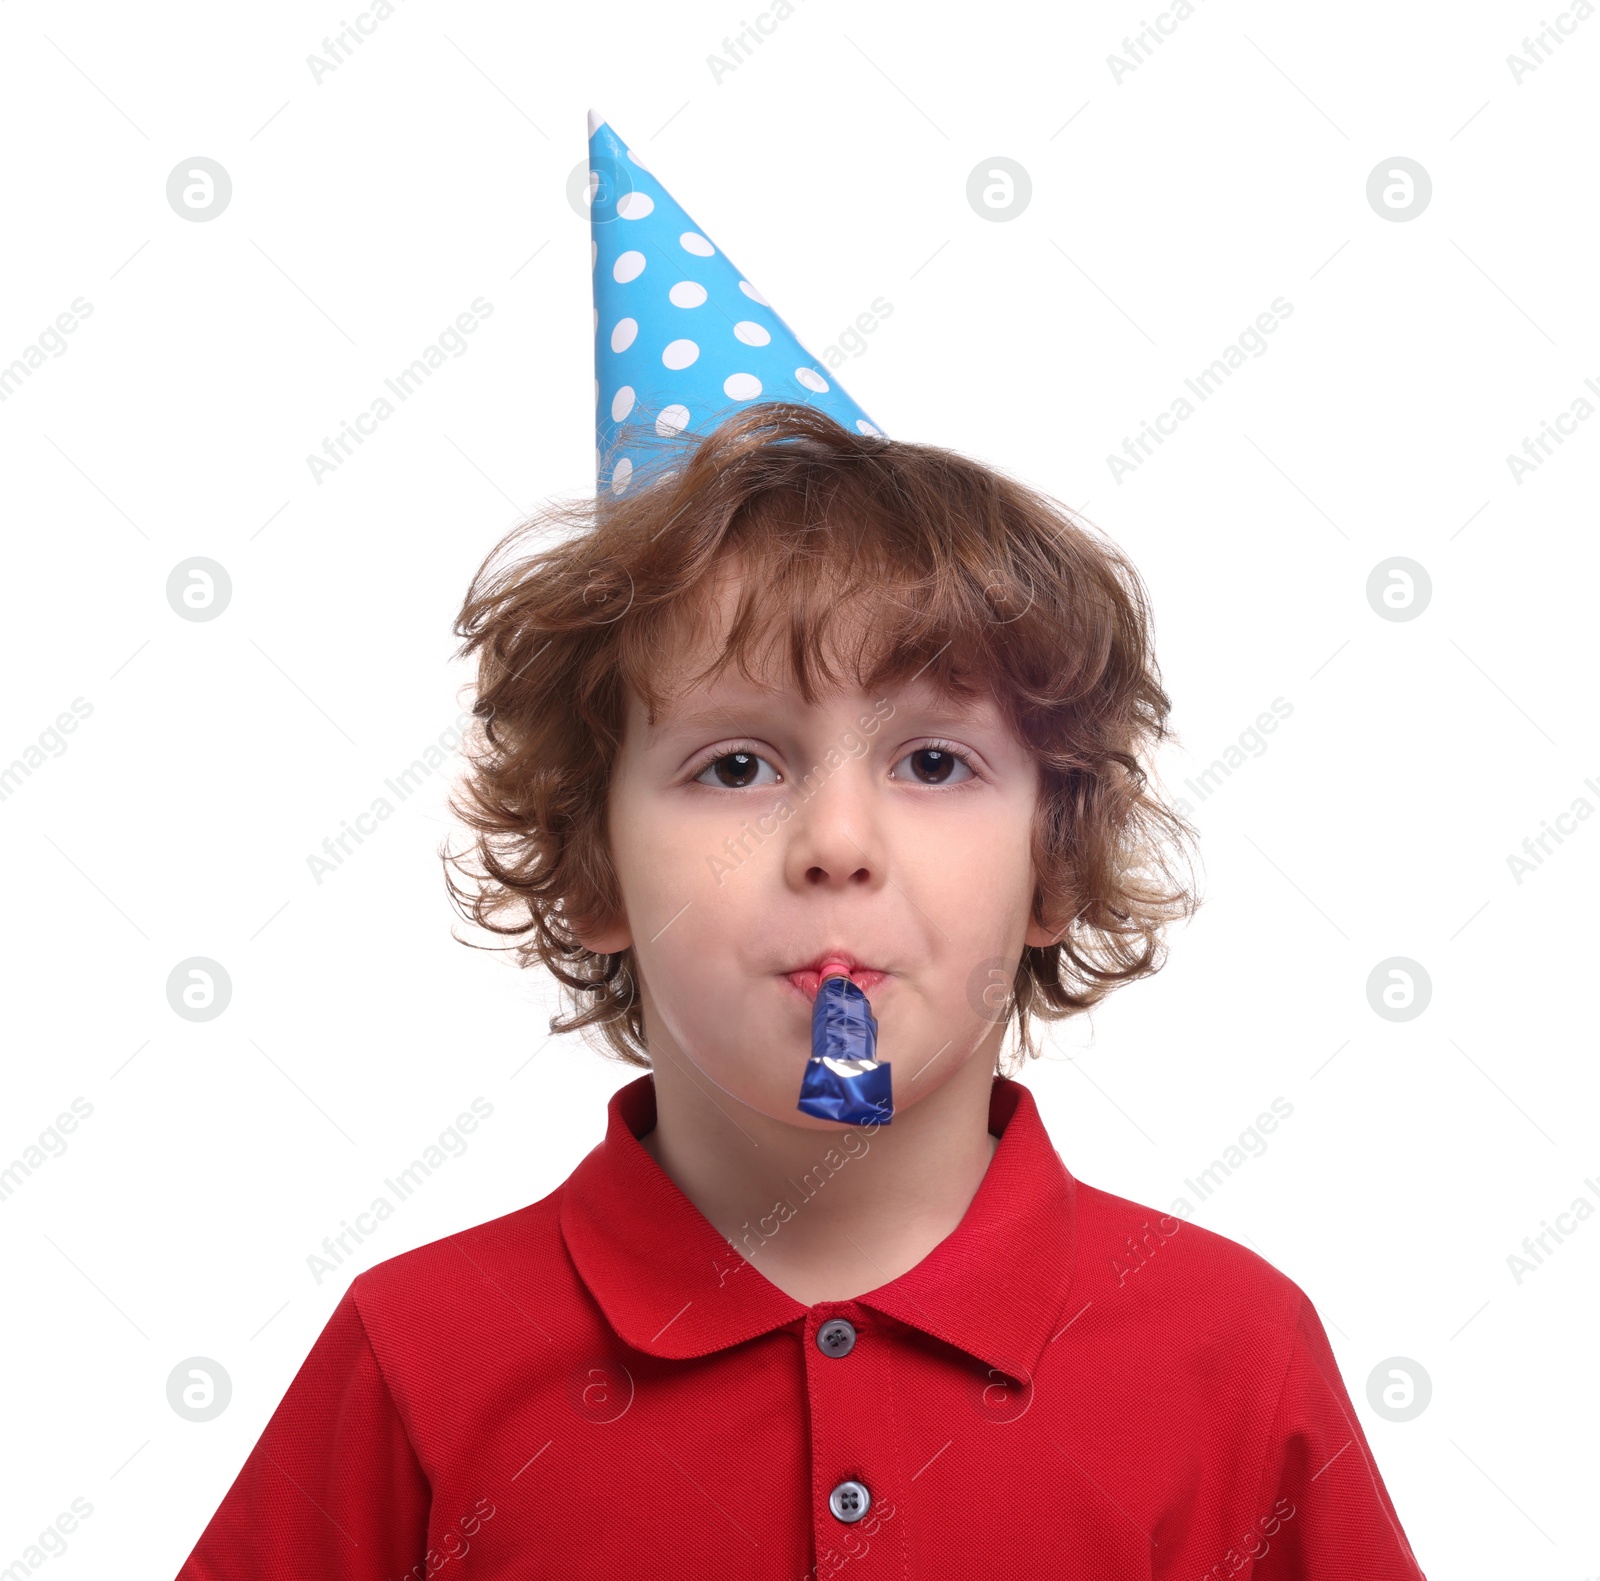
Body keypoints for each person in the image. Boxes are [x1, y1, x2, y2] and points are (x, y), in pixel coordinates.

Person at [172, 114, 1428, 1580]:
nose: (837, 840)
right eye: (738, 763)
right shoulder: (419, 1359)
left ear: (1059, 864)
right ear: (591, 871)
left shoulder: (1233, 1352)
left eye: (937, 760)